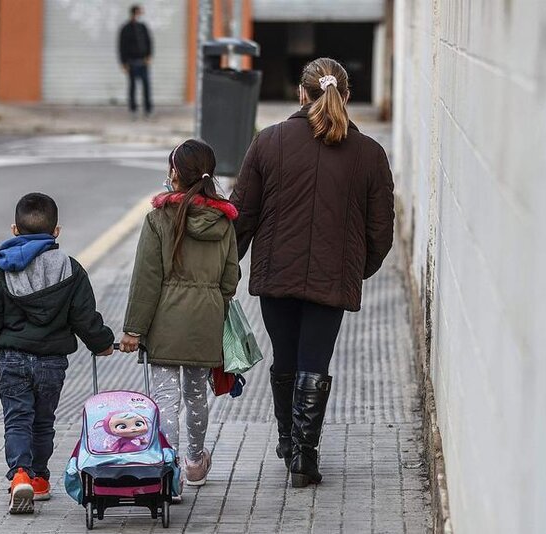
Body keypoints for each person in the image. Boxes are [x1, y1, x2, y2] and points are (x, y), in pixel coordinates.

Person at [231, 58, 395, 488]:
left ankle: (288, 442)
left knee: (284, 359)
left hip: (276, 275)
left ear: (301, 94)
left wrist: (226, 268)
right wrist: (356, 269)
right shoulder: (369, 154)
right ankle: (305, 454)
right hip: (332, 277)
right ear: (347, 95)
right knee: (314, 363)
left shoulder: (268, 142)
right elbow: (381, 230)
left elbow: (242, 215)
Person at [0, 193, 114, 514]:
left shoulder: (2, 271)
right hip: (52, 362)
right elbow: (85, 317)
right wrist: (102, 343)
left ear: (14, 229)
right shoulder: (71, 270)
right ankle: (39, 480)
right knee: (43, 422)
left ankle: (20, 474)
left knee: (17, 419)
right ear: (56, 232)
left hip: (13, 358)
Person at [119, 140, 239, 492]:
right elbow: (231, 279)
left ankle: (168, 472)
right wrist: (214, 303)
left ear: (175, 173)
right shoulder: (224, 221)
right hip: (206, 320)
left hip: (165, 322)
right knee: (196, 394)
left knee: (165, 398)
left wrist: (133, 330)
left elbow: (146, 279)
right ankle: (195, 461)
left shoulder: (158, 219)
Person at [118, 4, 153, 118]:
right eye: (139, 13)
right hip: (132, 62)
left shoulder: (143, 27)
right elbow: (121, 46)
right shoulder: (126, 28)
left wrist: (149, 56)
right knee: (133, 87)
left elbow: (149, 42)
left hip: (143, 62)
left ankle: (148, 109)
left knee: (146, 86)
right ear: (134, 13)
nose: (141, 15)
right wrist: (123, 63)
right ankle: (133, 109)